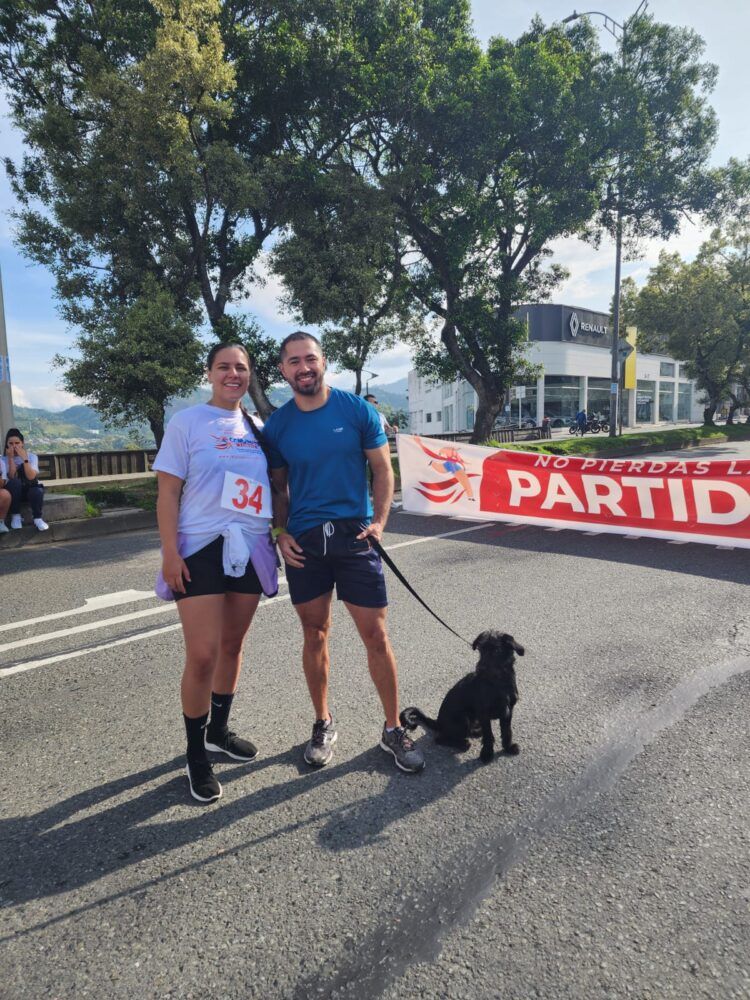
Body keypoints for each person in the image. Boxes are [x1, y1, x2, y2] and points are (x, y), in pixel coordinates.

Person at [264, 332, 425, 774]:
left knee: (376, 636)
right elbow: (278, 487)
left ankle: (392, 728)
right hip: (306, 544)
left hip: (355, 538)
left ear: (323, 362)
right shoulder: (278, 426)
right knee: (314, 634)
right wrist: (279, 531)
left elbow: (381, 469)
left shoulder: (357, 410)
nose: (303, 368)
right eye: (294, 361)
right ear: (283, 370)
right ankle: (323, 722)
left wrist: (379, 522)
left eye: (310, 359)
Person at [153, 343, 278, 804]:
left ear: (250, 376)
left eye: (241, 368)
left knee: (232, 645)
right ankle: (195, 752)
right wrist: (170, 552)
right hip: (200, 547)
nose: (233, 374)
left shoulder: (258, 428)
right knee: (203, 654)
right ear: (209, 373)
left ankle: (218, 731)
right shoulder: (187, 422)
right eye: (224, 366)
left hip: (249, 547)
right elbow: (167, 493)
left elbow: (275, 489)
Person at [2, 429, 48, 531]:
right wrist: (10, 459)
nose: (14, 446)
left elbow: (31, 477)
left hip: (29, 490)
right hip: (14, 493)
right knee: (15, 482)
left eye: (17, 443)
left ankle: (38, 519)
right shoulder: (3, 460)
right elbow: (11, 477)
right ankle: (16, 516)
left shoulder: (32, 457)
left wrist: (25, 459)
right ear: (7, 444)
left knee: (37, 490)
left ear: (22, 443)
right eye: (11, 443)